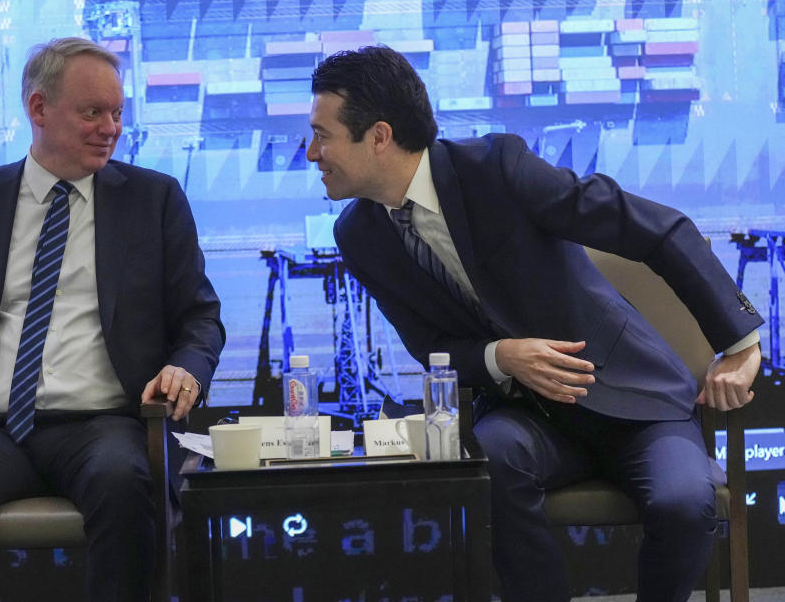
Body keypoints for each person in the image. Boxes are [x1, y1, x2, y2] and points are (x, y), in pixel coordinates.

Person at [307, 45, 763, 602]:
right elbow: (431, 346)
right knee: (490, 460)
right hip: (527, 417)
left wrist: (740, 342)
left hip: (634, 400)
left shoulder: (495, 168)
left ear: (378, 136)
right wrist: (503, 355)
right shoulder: (359, 236)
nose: (311, 153)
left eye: (322, 135)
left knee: (682, 503)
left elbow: (654, 229)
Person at [0, 37, 225, 602]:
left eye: (117, 113)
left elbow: (200, 317)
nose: (110, 127)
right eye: (92, 112)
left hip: (104, 423)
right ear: (38, 109)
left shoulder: (153, 199)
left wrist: (186, 368)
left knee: (124, 483)